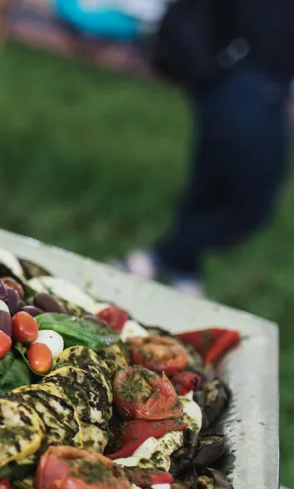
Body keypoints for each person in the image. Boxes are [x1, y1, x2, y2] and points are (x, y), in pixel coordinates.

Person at [122, 0, 294, 296]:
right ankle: (156, 258)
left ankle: (184, 272)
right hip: (251, 84)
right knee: (250, 209)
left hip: (225, 78)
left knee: (208, 185)